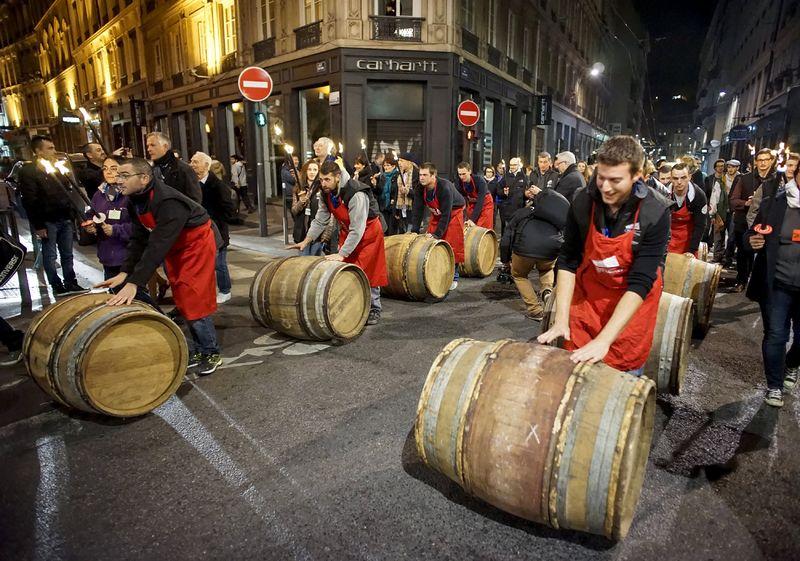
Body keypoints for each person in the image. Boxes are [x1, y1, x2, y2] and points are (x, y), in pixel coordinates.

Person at [537, 136, 671, 375]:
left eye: (615, 180)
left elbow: (641, 281)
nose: (606, 187)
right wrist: (561, 319)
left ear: (637, 175)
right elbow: (568, 260)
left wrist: (604, 340)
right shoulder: (583, 200)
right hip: (590, 297)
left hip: (629, 308)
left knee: (620, 378)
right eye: (601, 177)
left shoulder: (655, 211)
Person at [96, 158, 222, 376]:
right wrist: (125, 272)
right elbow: (139, 238)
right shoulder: (134, 199)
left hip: (197, 244)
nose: (118, 180)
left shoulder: (167, 201)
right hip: (176, 246)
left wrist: (135, 282)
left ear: (144, 178)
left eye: (125, 175)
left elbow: (156, 246)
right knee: (181, 296)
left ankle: (212, 351)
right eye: (118, 175)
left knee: (194, 297)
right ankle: (201, 349)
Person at [288, 160, 388, 325]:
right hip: (348, 232)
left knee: (370, 271)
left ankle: (374, 308)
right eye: (321, 179)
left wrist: (342, 253)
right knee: (348, 271)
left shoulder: (356, 193)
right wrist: (307, 239)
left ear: (337, 177)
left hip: (368, 234)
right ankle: (355, 305)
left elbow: (358, 228)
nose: (323, 183)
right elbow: (320, 220)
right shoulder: (326, 193)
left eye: (327, 179)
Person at [746, 172, 800, 407]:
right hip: (777, 283)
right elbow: (753, 232)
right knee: (776, 334)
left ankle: (792, 363)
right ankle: (774, 386)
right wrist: (753, 241)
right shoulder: (776, 203)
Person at [17, 135, 85, 295]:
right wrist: (39, 225)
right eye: (50, 148)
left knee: (67, 253)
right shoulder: (29, 171)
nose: (54, 151)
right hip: (47, 220)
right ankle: (56, 285)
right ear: (38, 151)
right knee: (50, 255)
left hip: (64, 217)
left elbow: (66, 190)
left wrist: (71, 213)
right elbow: (30, 200)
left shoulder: (56, 166)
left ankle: (71, 282)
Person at [500, 184, 569, 320]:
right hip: (551, 248)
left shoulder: (522, 213)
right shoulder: (554, 217)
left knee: (519, 275)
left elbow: (506, 237)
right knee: (546, 270)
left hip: (524, 248)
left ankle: (535, 310)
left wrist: (505, 260)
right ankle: (547, 291)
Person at [411, 162, 466, 291]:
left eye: (425, 175)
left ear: (433, 175)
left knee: (452, 244)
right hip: (436, 213)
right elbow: (417, 210)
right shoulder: (420, 187)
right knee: (430, 244)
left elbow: (446, 214)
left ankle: (454, 277)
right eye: (420, 175)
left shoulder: (444, 187)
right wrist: (414, 230)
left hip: (453, 213)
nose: (421, 178)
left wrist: (437, 234)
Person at [190, 151, 236, 304]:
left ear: (206, 165)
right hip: (198, 232)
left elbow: (229, 210)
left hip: (216, 231)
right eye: (191, 161)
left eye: (196, 162)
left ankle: (225, 290)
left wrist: (214, 220)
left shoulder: (217, 186)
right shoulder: (191, 183)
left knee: (219, 263)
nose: (192, 165)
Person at [730, 149, 776, 292]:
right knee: (743, 254)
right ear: (755, 162)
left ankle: (759, 284)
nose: (762, 163)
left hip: (766, 224)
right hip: (743, 222)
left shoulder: (777, 179)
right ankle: (741, 280)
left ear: (771, 161)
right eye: (760, 160)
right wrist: (746, 203)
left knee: (763, 256)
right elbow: (733, 200)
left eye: (766, 160)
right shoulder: (745, 178)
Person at [82, 156, 133, 280]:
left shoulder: (131, 193)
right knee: (113, 292)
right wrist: (91, 225)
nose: (108, 172)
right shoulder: (100, 194)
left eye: (114, 168)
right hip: (108, 255)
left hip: (128, 256)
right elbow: (91, 214)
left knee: (129, 294)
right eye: (105, 168)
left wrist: (115, 230)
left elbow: (141, 227)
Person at [291, 159, 333, 255]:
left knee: (315, 262)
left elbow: (329, 213)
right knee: (303, 262)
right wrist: (300, 202)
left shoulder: (323, 189)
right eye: (309, 169)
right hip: (302, 232)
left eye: (315, 169)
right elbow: (294, 211)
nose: (312, 172)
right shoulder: (299, 188)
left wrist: (326, 234)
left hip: (318, 234)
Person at [146, 132, 202, 203]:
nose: (149, 149)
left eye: (152, 145)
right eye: (147, 146)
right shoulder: (150, 170)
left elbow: (195, 200)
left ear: (165, 146)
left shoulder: (184, 169)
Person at [667, 162, 708, 256]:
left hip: (689, 239)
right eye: (675, 178)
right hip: (668, 238)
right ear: (671, 178)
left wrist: (692, 250)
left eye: (683, 177)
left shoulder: (699, 195)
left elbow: (700, 225)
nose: (679, 182)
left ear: (689, 177)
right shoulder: (664, 194)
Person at [455, 161, 494, 229]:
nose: (461, 177)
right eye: (460, 174)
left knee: (482, 227)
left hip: (485, 204)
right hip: (472, 203)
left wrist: (472, 220)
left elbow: (480, 202)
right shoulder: (458, 183)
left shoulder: (480, 181)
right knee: (469, 226)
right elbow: (461, 200)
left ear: (470, 171)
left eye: (464, 174)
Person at [705, 159, 730, 262]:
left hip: (724, 209)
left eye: (722, 166)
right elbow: (706, 193)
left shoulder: (726, 178)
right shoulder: (709, 179)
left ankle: (721, 254)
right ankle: (712, 249)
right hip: (712, 207)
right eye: (718, 166)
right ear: (715, 167)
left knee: (721, 232)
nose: (721, 167)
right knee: (712, 230)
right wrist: (707, 205)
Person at [371, 154, 401, 234]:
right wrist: (375, 185)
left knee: (392, 231)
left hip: (393, 208)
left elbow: (397, 192)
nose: (386, 167)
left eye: (388, 165)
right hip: (383, 207)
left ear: (394, 166)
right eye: (384, 165)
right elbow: (378, 191)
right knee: (384, 230)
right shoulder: (382, 177)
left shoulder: (397, 176)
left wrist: (393, 200)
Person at [498, 157, 527, 234]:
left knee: (517, 231)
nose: (512, 167)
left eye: (514, 165)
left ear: (519, 165)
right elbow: (498, 190)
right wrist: (503, 192)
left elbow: (526, 192)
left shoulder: (524, 177)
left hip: (519, 209)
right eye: (511, 165)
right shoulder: (506, 176)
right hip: (507, 210)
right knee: (506, 232)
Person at [722, 159, 742, 267]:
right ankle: (724, 256)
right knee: (721, 234)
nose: (730, 169)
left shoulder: (741, 178)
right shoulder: (723, 178)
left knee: (732, 236)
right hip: (725, 209)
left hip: (735, 211)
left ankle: (728, 258)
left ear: (737, 168)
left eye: (733, 167)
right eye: (729, 167)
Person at [396, 152, 418, 233]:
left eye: (401, 161)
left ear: (409, 162)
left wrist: (408, 191)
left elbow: (418, 194)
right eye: (399, 161)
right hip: (402, 209)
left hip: (412, 210)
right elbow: (396, 192)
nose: (399, 163)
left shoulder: (416, 174)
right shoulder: (400, 174)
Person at [485, 165, 504, 229]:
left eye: (490, 172)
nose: (489, 173)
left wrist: (503, 193)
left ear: (493, 173)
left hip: (492, 203)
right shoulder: (482, 180)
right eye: (487, 172)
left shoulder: (496, 181)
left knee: (492, 221)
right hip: (483, 203)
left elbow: (498, 193)